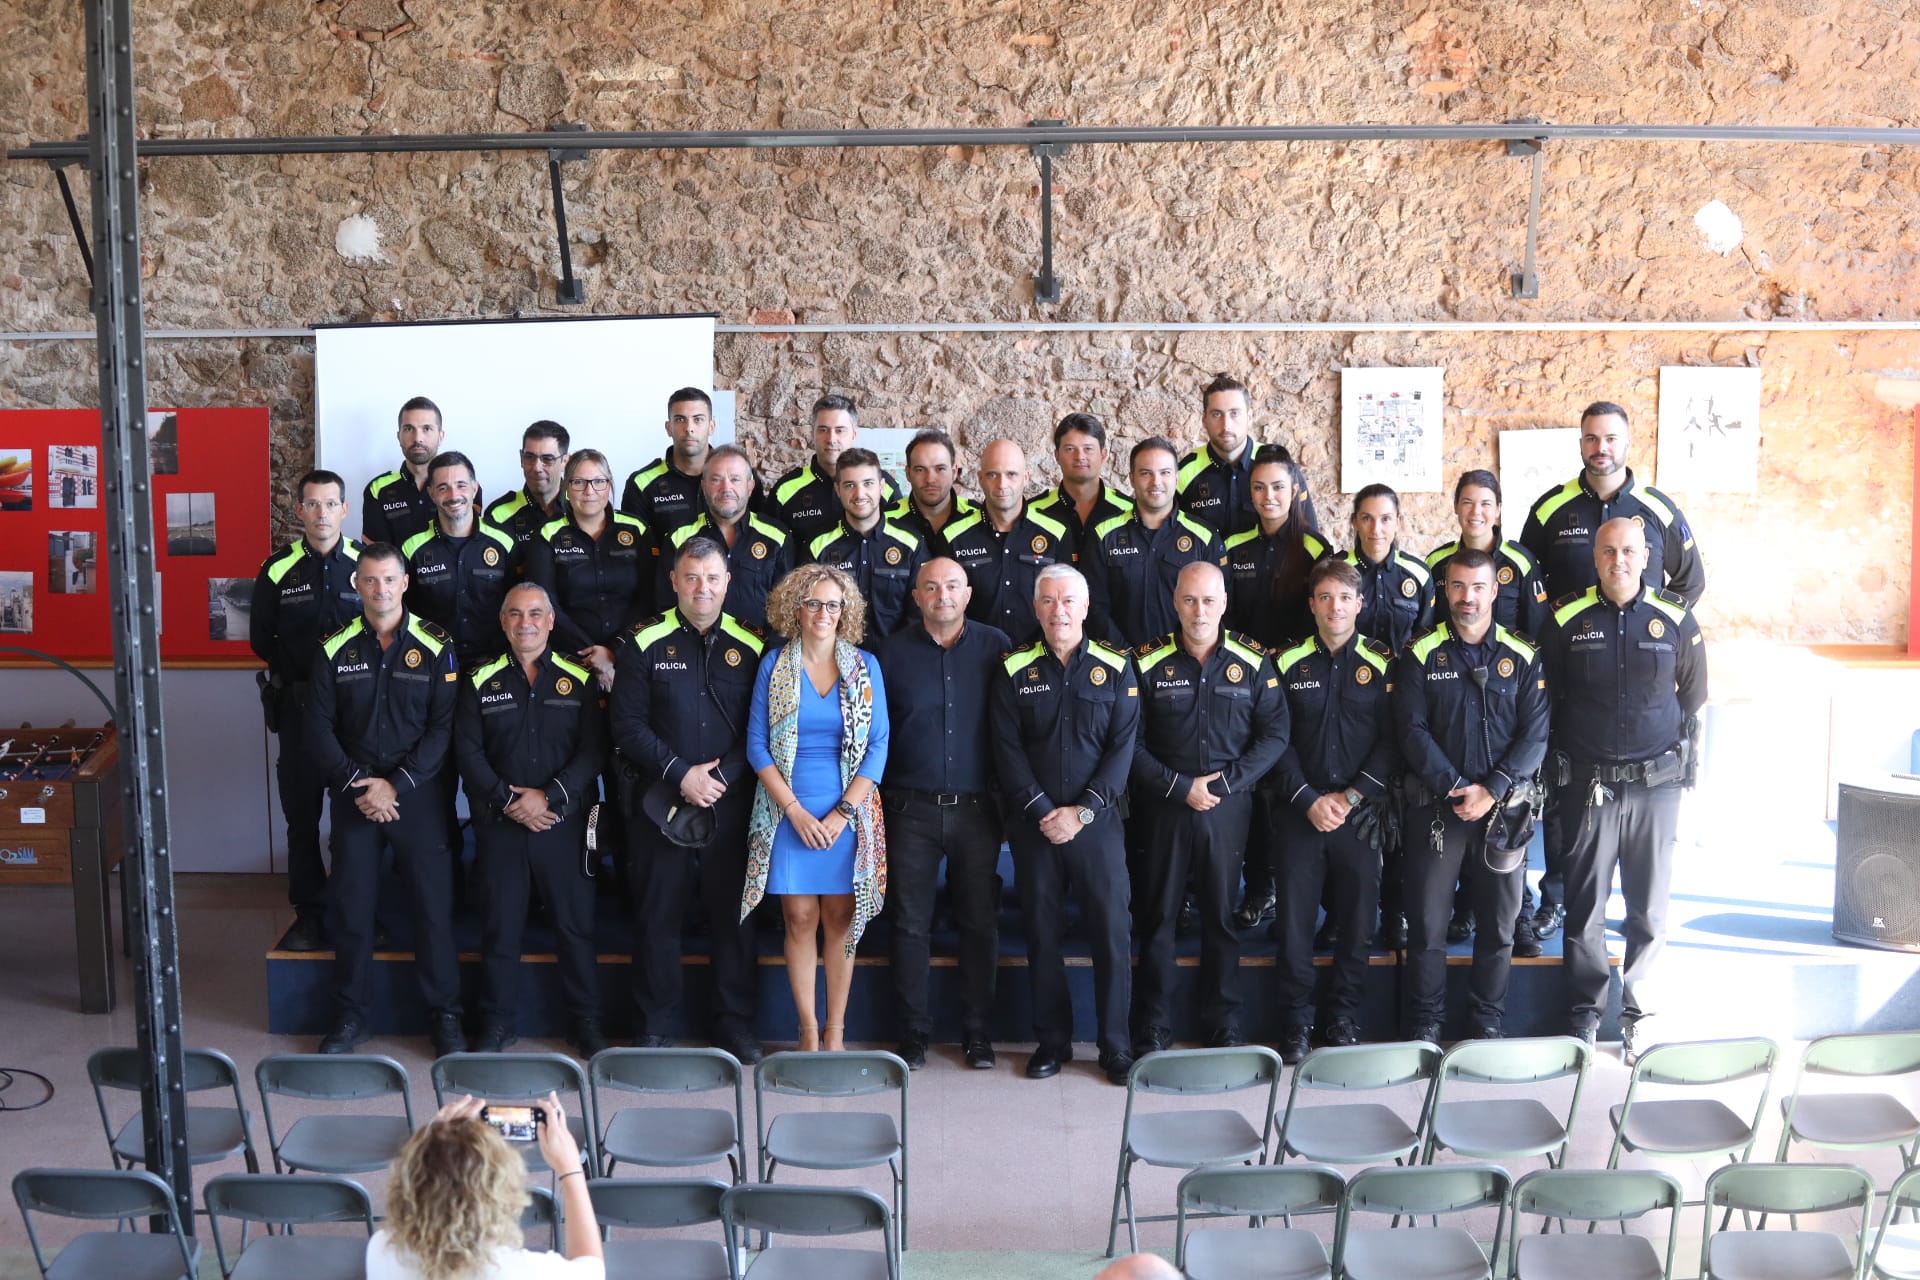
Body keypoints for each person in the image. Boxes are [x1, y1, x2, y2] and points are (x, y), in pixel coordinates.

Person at [1518, 400, 1707, 942]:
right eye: (1591, 438)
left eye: (1611, 439)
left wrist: (1650, 626)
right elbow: (1527, 585)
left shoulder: (1658, 510)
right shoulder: (1552, 509)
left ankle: (1635, 919)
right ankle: (1557, 899)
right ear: (1580, 444)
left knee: (1642, 843)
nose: (1601, 448)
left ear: (1628, 443)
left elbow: (1689, 586)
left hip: (1639, 671)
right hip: (1572, 671)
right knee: (1564, 800)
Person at [1543, 517, 1707, 1062]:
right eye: (1609, 551)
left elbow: (1693, 695)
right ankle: (1587, 1013)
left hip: (1656, 789)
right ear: (1595, 557)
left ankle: (1639, 1013)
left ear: (1646, 557)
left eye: (1630, 551)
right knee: (1584, 906)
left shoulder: (1675, 619)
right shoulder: (1565, 617)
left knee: (1648, 908)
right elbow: (1550, 698)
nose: (1620, 561)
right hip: (1588, 788)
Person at [610, 537, 767, 1063]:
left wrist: (718, 776)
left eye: (712, 578)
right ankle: (654, 1023)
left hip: (731, 801)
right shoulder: (642, 641)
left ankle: (734, 1022)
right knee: (658, 916)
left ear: (728, 582)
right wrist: (681, 774)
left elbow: (762, 726)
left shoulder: (753, 642)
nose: (702, 587)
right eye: (692, 577)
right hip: (660, 802)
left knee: (734, 919)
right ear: (675, 581)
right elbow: (626, 724)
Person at [305, 543, 463, 1057]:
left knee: (433, 911)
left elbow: (443, 728)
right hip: (356, 796)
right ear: (357, 586)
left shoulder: (437, 645)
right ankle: (351, 1015)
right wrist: (361, 784)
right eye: (370, 581)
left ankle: (445, 1016)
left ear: (404, 583)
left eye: (389, 580)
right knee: (353, 910)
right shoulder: (333, 648)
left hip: (416, 796)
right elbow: (318, 727)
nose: (379, 589)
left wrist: (396, 784)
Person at [1129, 562, 1288, 1053]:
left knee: (1222, 917)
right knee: (1158, 917)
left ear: (1224, 603)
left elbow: (1275, 734)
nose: (1200, 611)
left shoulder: (1254, 661)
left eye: (1209, 600)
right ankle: (1153, 1022)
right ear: (1175, 602)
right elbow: (1127, 743)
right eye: (1190, 600)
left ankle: (1222, 1020)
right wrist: (1179, 787)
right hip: (1165, 806)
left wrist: (1225, 784)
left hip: (1227, 807)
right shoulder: (1146, 661)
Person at [991, 565, 1140, 1084]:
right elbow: (1006, 751)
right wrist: (1042, 811)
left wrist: (1083, 811)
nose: (1059, 611)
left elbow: (1123, 751)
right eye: (1049, 601)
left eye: (1068, 601)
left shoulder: (1117, 667)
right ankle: (1051, 1042)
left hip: (1096, 824)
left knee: (1111, 934)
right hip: (1035, 826)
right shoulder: (1013, 669)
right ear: (1036, 608)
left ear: (1085, 605)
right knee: (1041, 933)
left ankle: (1115, 1046)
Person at [1393, 549, 1550, 1042]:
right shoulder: (1420, 652)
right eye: (1458, 587)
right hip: (1437, 812)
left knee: (1499, 929)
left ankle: (1486, 1020)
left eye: (1477, 587)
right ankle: (1426, 1022)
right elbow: (1411, 730)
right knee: (1427, 929)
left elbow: (1536, 734)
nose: (1467, 597)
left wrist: (1494, 788)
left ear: (1494, 591)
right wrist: (1457, 787)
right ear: (1445, 590)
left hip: (1503, 815)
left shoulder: (1522, 655)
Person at [741, 564, 890, 1052]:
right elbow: (758, 747)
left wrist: (841, 813)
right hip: (788, 810)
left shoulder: (865, 666)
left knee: (842, 919)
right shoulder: (774, 665)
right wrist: (796, 813)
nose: (823, 613)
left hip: (848, 811)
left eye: (832, 604)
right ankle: (807, 1031)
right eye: (812, 604)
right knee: (800, 918)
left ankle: (836, 1034)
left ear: (844, 611)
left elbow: (879, 746)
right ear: (795, 609)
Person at [455, 583, 609, 1057]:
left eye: (536, 614)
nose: (526, 623)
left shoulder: (577, 678)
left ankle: (585, 1022)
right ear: (503, 621)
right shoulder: (479, 679)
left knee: (575, 927)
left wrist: (551, 798)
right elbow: (467, 750)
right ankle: (497, 1023)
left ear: (551, 621)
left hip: (562, 823)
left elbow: (594, 751)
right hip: (501, 825)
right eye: (516, 614)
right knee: (500, 928)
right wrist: (508, 801)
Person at [873, 558, 1010, 1071]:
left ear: (968, 593)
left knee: (979, 922)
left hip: (978, 809)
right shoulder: (890, 653)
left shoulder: (998, 648)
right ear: (916, 597)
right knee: (910, 924)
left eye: (952, 586)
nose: (942, 595)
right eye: (931, 587)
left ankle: (977, 1033)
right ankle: (913, 1034)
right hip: (910, 809)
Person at [1268, 558, 1399, 1062]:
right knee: (1295, 925)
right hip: (1299, 811)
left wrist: (1349, 798)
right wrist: (1308, 798)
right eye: (1324, 597)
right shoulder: (1285, 662)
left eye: (1344, 597)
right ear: (1312, 605)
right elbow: (1275, 739)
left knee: (1357, 922)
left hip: (1359, 813)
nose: (1335, 607)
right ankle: (1296, 1024)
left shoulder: (1385, 663)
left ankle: (1342, 1016)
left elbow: (1393, 741)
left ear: (1359, 604)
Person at [1426, 469, 1549, 956]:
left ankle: (1514, 916)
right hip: (1453, 697)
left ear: (1498, 510)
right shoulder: (1439, 561)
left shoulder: (1519, 561)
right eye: (1467, 503)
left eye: (1486, 504)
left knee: (1509, 821)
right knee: (1456, 826)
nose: (1476, 512)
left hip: (1509, 698)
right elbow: (1428, 633)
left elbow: (1538, 631)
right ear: (1456, 508)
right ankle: (1465, 907)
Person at [251, 469, 364, 951]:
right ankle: (310, 915)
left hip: (355, 714)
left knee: (354, 819)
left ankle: (356, 909)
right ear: (299, 510)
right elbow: (261, 639)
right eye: (312, 504)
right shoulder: (277, 569)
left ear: (345, 509)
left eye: (330, 504)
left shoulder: (367, 562)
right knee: (302, 817)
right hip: (298, 711)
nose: (322, 513)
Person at [1223, 444, 1329, 931]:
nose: (1269, 496)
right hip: (1239, 685)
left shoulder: (1315, 549)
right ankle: (1257, 885)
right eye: (1260, 487)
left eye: (1279, 487)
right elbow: (1224, 615)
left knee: (1288, 785)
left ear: (1295, 490)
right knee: (1248, 786)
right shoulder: (1233, 544)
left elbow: (1323, 619)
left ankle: (1294, 887)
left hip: (1295, 685)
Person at [367, 1092, 602, 1279]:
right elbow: (592, 1268)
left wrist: (434, 1141)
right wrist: (571, 1170)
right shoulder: (528, 1272)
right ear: (500, 1194)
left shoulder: (382, 1249)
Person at [524, 449, 651, 690]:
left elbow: (646, 599)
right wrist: (594, 657)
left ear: (610, 484)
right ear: (567, 488)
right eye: (579, 482)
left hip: (631, 654)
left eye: (599, 482)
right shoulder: (547, 535)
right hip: (568, 659)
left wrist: (614, 651)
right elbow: (545, 603)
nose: (590, 491)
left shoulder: (637, 530)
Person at [1087, 436, 1225, 647]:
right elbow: (1094, 605)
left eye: (1165, 473)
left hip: (1184, 665)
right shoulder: (1104, 534)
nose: (1156, 482)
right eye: (1146, 473)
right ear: (1132, 478)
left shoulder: (1204, 537)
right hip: (1122, 665)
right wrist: (1125, 654)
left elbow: (1217, 607)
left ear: (1177, 478)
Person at [941, 439, 1068, 645]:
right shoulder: (954, 536)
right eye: (993, 475)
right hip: (976, 657)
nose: (1002, 484)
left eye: (1011, 474)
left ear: (1025, 478)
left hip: (1039, 659)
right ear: (980, 478)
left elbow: (1069, 602)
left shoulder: (1056, 532)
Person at [657, 444, 793, 633]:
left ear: (750, 486)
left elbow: (786, 610)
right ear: (704, 486)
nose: (726, 488)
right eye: (716, 479)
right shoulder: (679, 537)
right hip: (692, 652)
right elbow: (665, 604)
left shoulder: (777, 537)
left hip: (758, 654)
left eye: (735, 479)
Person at [403, 451, 518, 668]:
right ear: (431, 494)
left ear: (475, 489)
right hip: (431, 663)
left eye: (461, 485)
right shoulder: (411, 548)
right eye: (443, 487)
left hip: (495, 664)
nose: (454, 495)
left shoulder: (505, 542)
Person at [802, 448, 927, 637]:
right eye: (850, 485)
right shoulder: (817, 545)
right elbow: (807, 609)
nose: (859, 494)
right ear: (838, 490)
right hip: (835, 659)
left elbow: (920, 611)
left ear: (882, 486)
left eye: (868, 483)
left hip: (896, 659)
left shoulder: (911, 543)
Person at [1178, 372, 1320, 538]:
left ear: (1249, 416)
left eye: (1234, 413)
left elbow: (1310, 538)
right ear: (1204, 420)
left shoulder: (1279, 467)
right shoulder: (1184, 473)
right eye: (1217, 414)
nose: (1226, 425)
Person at [770, 394, 902, 545]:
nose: (831, 439)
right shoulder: (785, 490)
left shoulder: (884, 488)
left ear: (854, 434)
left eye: (840, 430)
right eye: (823, 430)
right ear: (812, 434)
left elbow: (899, 542)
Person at [1341, 484, 1433, 655]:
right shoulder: (1336, 571)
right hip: (1348, 675)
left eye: (1386, 519)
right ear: (1355, 522)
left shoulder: (1419, 574)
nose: (1376, 529)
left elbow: (1426, 638)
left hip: (1404, 675)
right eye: (1367, 518)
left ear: (1398, 522)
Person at [1030, 412, 1133, 565]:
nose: (1080, 456)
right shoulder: (1032, 513)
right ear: (1057, 456)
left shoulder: (1129, 511)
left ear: (1103, 455)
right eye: (1070, 449)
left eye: (1088, 448)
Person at [620, 386, 715, 538]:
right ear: (668, 428)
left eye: (698, 420)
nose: (689, 428)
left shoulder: (740, 477)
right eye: (680, 419)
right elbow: (633, 551)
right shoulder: (642, 484)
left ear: (711, 427)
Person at [363, 395, 444, 548]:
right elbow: (376, 557)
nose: (417, 438)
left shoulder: (461, 486)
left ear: (441, 436)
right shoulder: (377, 490)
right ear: (398, 436)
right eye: (408, 429)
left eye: (427, 428)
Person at [886, 428, 981, 555]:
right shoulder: (885, 520)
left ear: (954, 473)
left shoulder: (978, 517)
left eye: (940, 469)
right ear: (908, 474)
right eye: (920, 469)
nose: (930, 479)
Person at [485, 421, 570, 553]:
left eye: (547, 459)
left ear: (565, 461)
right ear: (521, 458)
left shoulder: (585, 506)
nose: (537, 468)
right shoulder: (498, 514)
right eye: (529, 457)